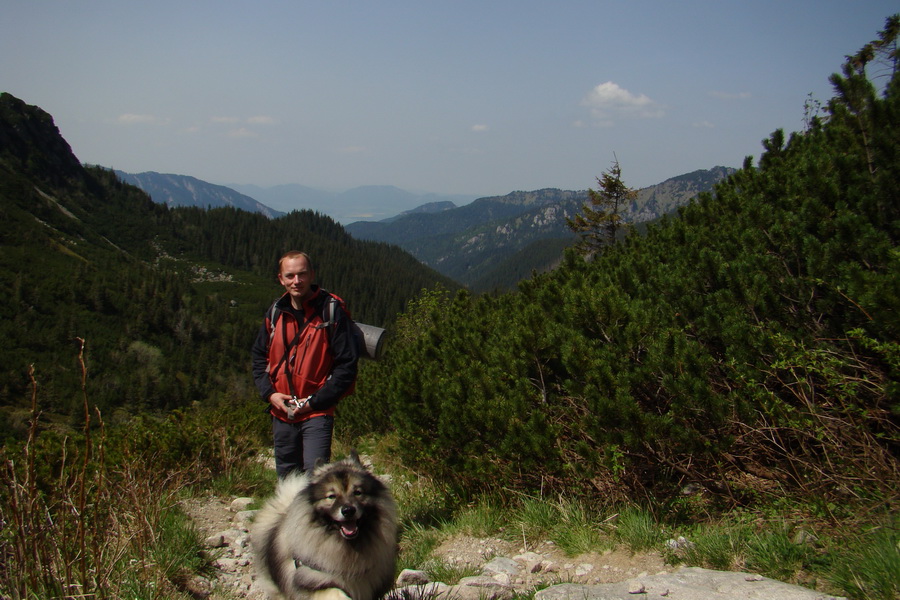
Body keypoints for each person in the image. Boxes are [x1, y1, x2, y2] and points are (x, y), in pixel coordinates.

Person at [251, 251, 359, 477]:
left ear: (312, 275)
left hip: (316, 412)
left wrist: (313, 402)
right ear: (281, 279)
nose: (296, 281)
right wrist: (270, 395)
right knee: (288, 481)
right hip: (282, 411)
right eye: (290, 276)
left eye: (302, 274)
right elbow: (259, 357)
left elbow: (346, 366)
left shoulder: (331, 311)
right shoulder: (276, 312)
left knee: (315, 480)